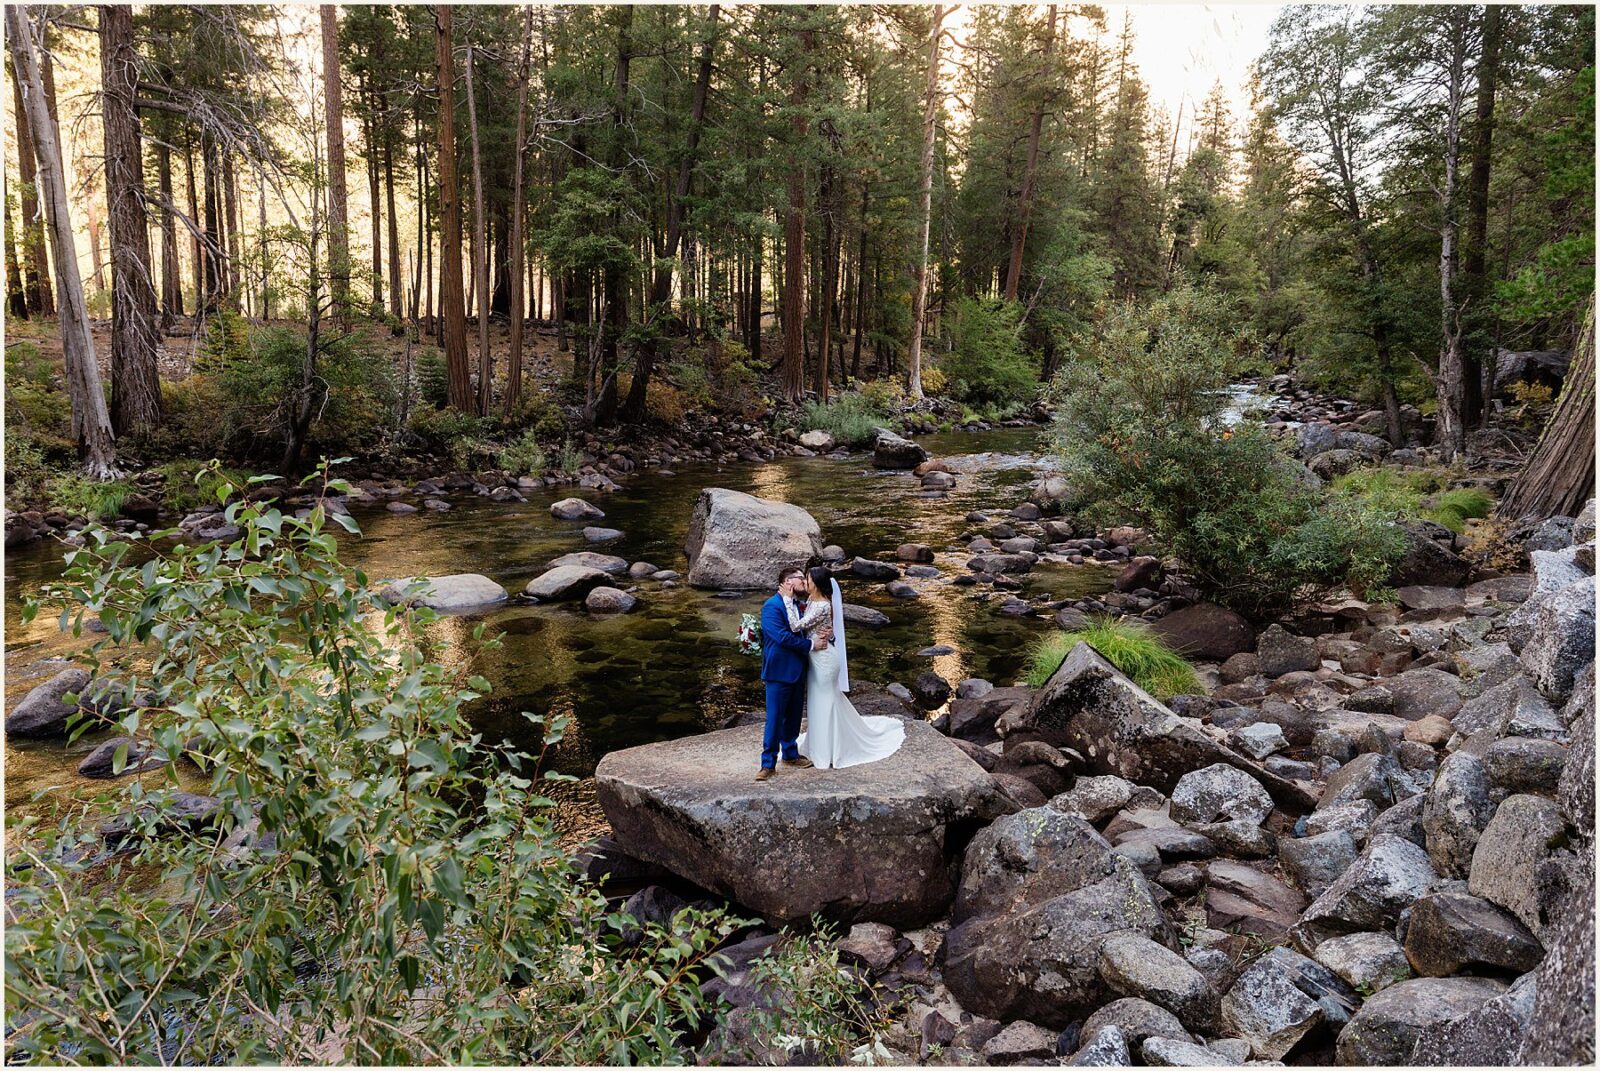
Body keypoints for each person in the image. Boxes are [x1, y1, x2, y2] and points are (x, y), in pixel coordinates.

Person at [790, 565, 905, 770]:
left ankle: (833, 749)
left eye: (808, 579)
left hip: (825, 659)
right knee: (817, 702)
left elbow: (796, 626)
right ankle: (819, 745)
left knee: (827, 700)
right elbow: (816, 627)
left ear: (816, 583)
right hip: (815, 657)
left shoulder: (823, 605)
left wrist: (785, 600)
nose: (805, 582)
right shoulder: (811, 600)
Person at [756, 565, 828, 781]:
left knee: (795, 715)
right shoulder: (772, 607)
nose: (805, 582)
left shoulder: (802, 604)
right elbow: (782, 638)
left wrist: (828, 631)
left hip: (799, 668)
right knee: (775, 717)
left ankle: (790, 753)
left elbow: (812, 623)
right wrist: (811, 644)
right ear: (788, 582)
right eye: (800, 578)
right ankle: (767, 763)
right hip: (779, 671)